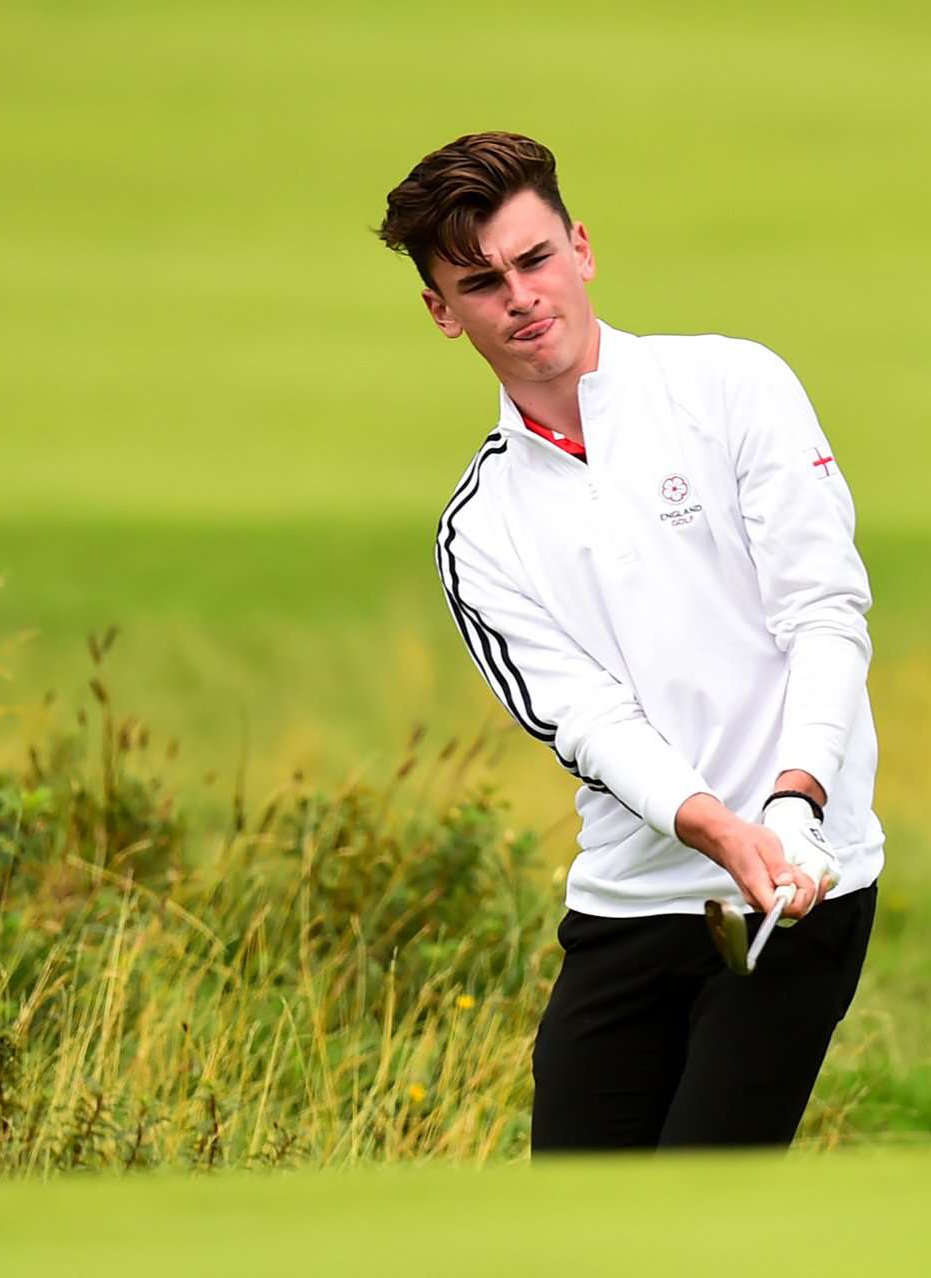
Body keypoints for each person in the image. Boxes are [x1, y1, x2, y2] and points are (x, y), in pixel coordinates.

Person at [375, 132, 884, 1151]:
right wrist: (717, 827)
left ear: (581, 247)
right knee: (581, 1216)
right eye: (482, 283)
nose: (521, 296)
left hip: (803, 882)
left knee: (699, 1209)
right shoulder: (480, 529)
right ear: (442, 311)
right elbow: (590, 721)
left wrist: (793, 802)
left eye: (535, 259)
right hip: (629, 897)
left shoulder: (734, 387)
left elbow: (824, 612)